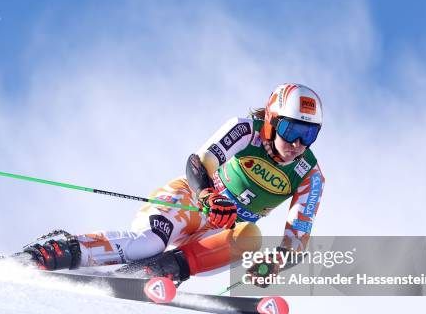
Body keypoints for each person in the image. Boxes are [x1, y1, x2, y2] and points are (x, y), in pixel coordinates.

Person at [24, 83, 325, 286]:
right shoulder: (246, 130)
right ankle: (53, 252)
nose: (298, 143)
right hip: (190, 200)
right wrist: (207, 195)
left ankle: (159, 272)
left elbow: (296, 241)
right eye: (290, 129)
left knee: (250, 237)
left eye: (309, 135)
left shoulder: (309, 175)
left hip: (221, 227)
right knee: (148, 243)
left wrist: (274, 263)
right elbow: (199, 162)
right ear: (272, 120)